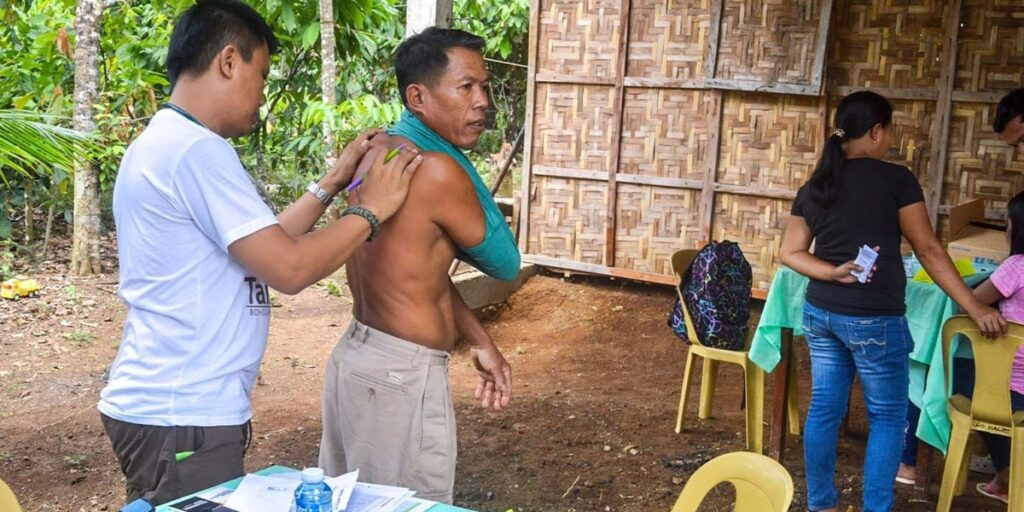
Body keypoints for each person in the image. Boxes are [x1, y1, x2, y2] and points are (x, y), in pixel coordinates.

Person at [97, 0, 422, 506]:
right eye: (263, 75)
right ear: (229, 61)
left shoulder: (169, 143)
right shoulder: (195, 150)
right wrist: (372, 211)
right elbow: (289, 268)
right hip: (181, 413)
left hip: (172, 409)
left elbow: (268, 246)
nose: (263, 93)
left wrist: (333, 183)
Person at [317, 27, 520, 503]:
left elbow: (418, 272)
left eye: (484, 87)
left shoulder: (375, 151)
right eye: (465, 87)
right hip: (400, 377)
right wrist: (460, 165)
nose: (482, 102)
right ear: (417, 97)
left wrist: (479, 339)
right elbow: (505, 262)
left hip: (357, 360)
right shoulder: (437, 169)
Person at [779, 90, 1006, 512]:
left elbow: (790, 252)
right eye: (888, 131)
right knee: (887, 417)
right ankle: (876, 507)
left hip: (822, 313)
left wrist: (831, 272)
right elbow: (928, 249)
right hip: (875, 320)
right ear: (875, 132)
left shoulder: (816, 185)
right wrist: (975, 306)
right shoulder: (896, 180)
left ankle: (821, 505)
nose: (890, 139)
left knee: (824, 410)